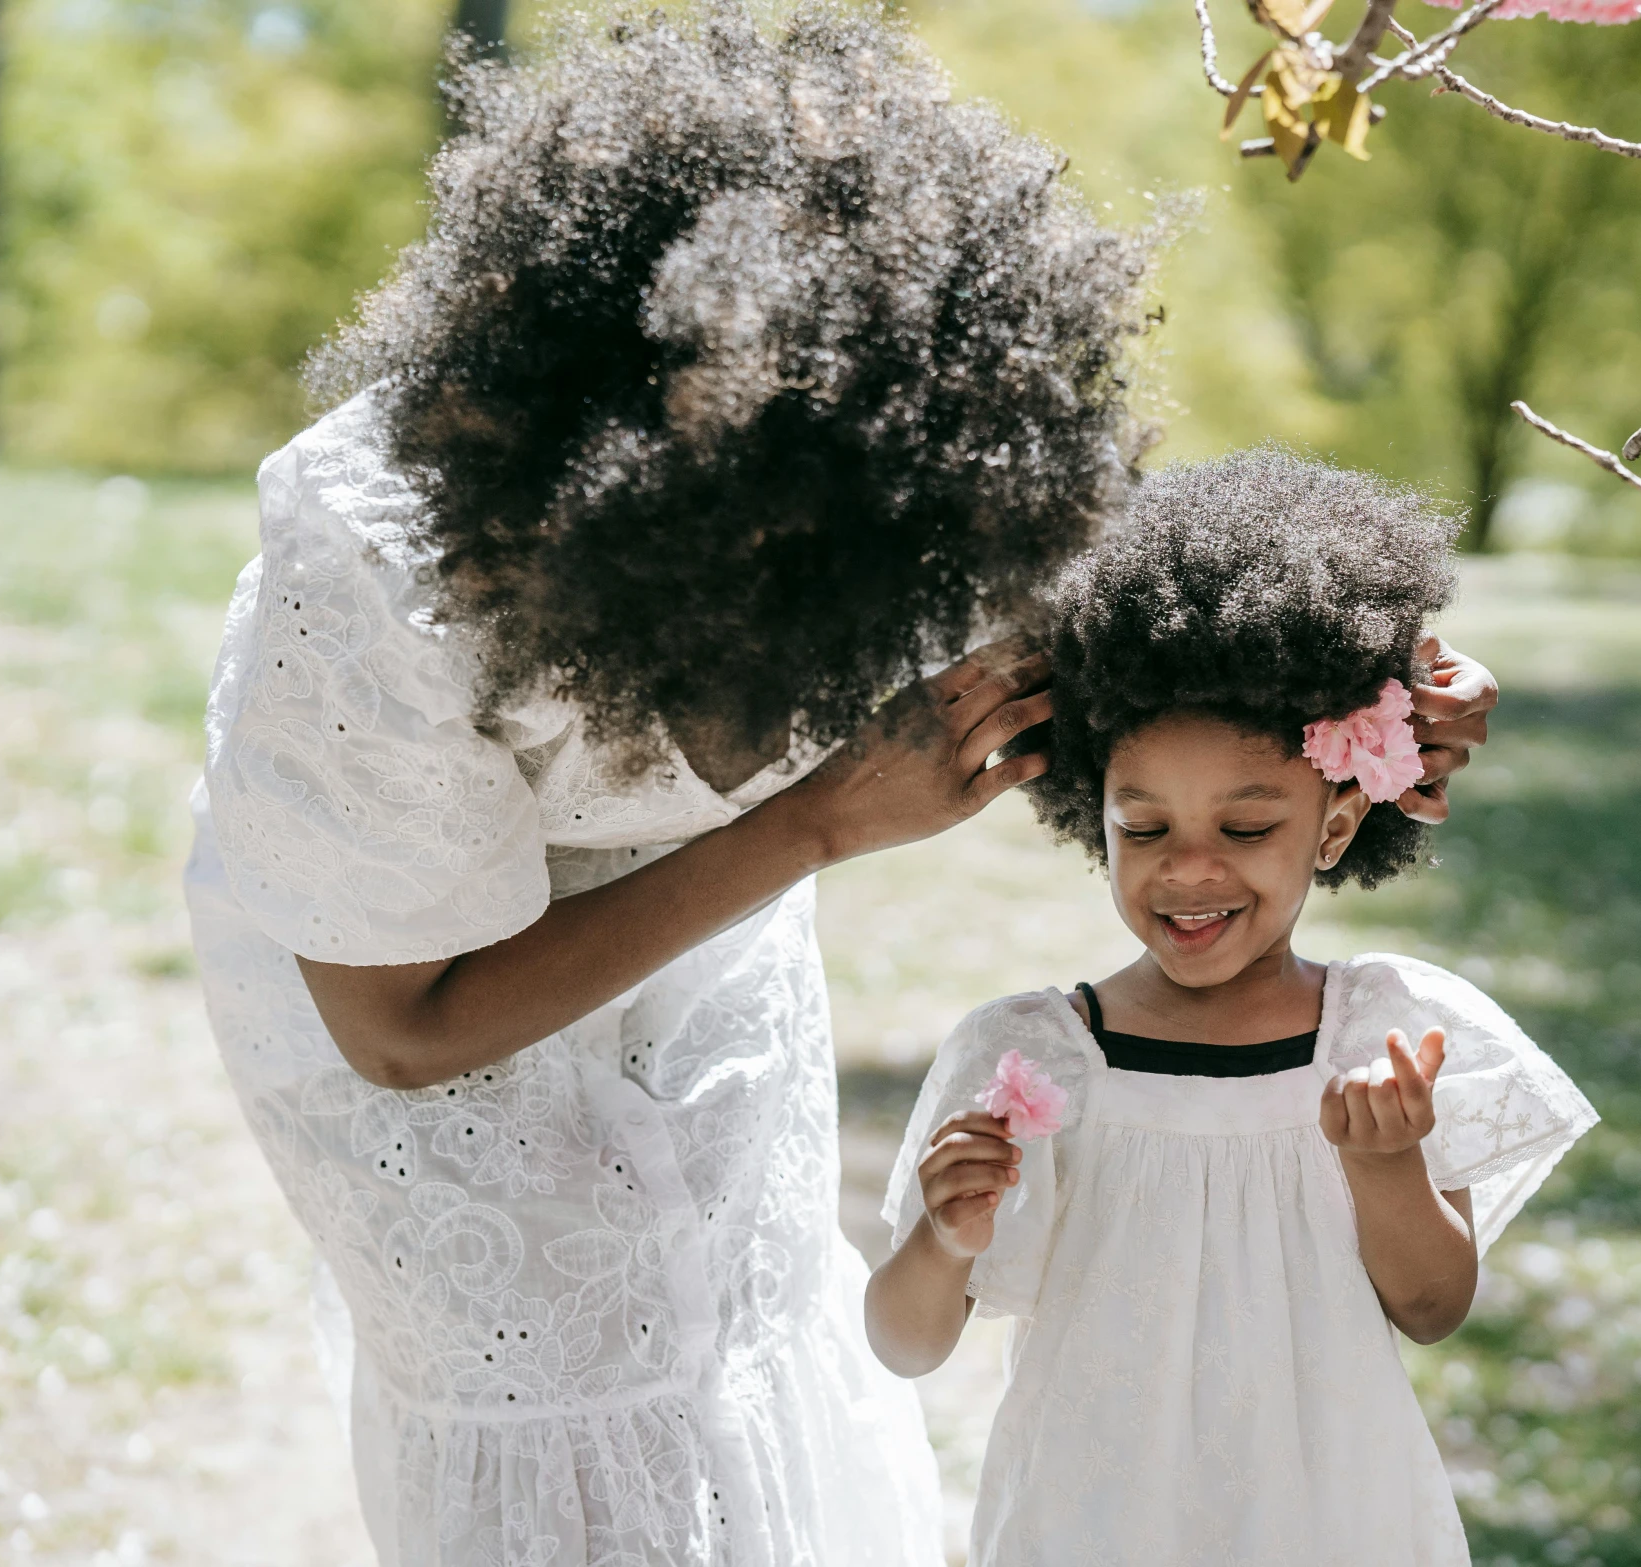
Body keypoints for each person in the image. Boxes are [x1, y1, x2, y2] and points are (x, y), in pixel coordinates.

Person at [183, 7, 1498, 1564]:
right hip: (414, 985)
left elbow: (1175, 648)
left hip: (706, 931)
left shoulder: (907, 451)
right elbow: (400, 1030)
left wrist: (1374, 688)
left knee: (738, 1339)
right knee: (568, 1409)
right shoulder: (381, 565)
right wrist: (812, 823)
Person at [866, 450, 1588, 1566]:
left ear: (1335, 827)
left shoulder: (1378, 1033)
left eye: (1245, 830)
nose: (1188, 871)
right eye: (1143, 828)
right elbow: (906, 1345)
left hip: (1328, 1518)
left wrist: (1386, 1166)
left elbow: (1435, 1305)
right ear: (1090, 815)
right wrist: (942, 1236)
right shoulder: (1037, 1055)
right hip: (1091, 1521)